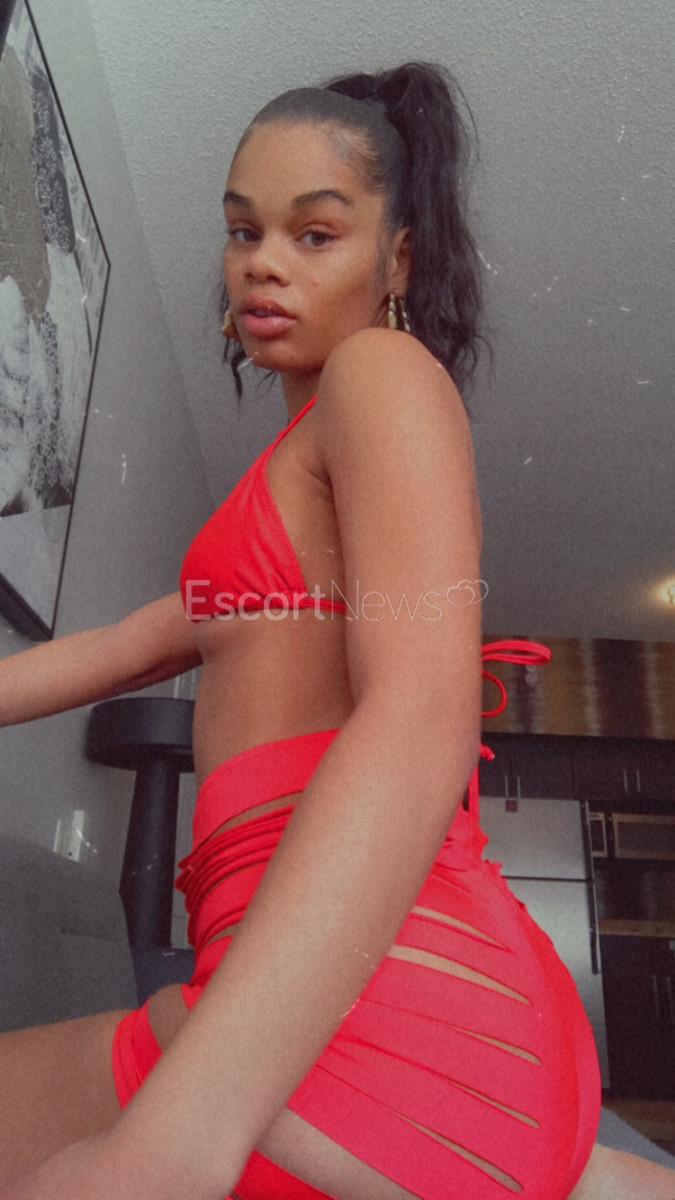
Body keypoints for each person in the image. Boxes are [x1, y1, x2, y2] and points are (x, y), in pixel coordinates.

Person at [0, 62, 672, 1200]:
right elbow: (119, 645)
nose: (264, 261)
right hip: (359, 1010)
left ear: (397, 260)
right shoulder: (279, 487)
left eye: (316, 234)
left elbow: (420, 717)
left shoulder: (381, 371)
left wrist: (175, 1141)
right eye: (243, 231)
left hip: (390, 1010)